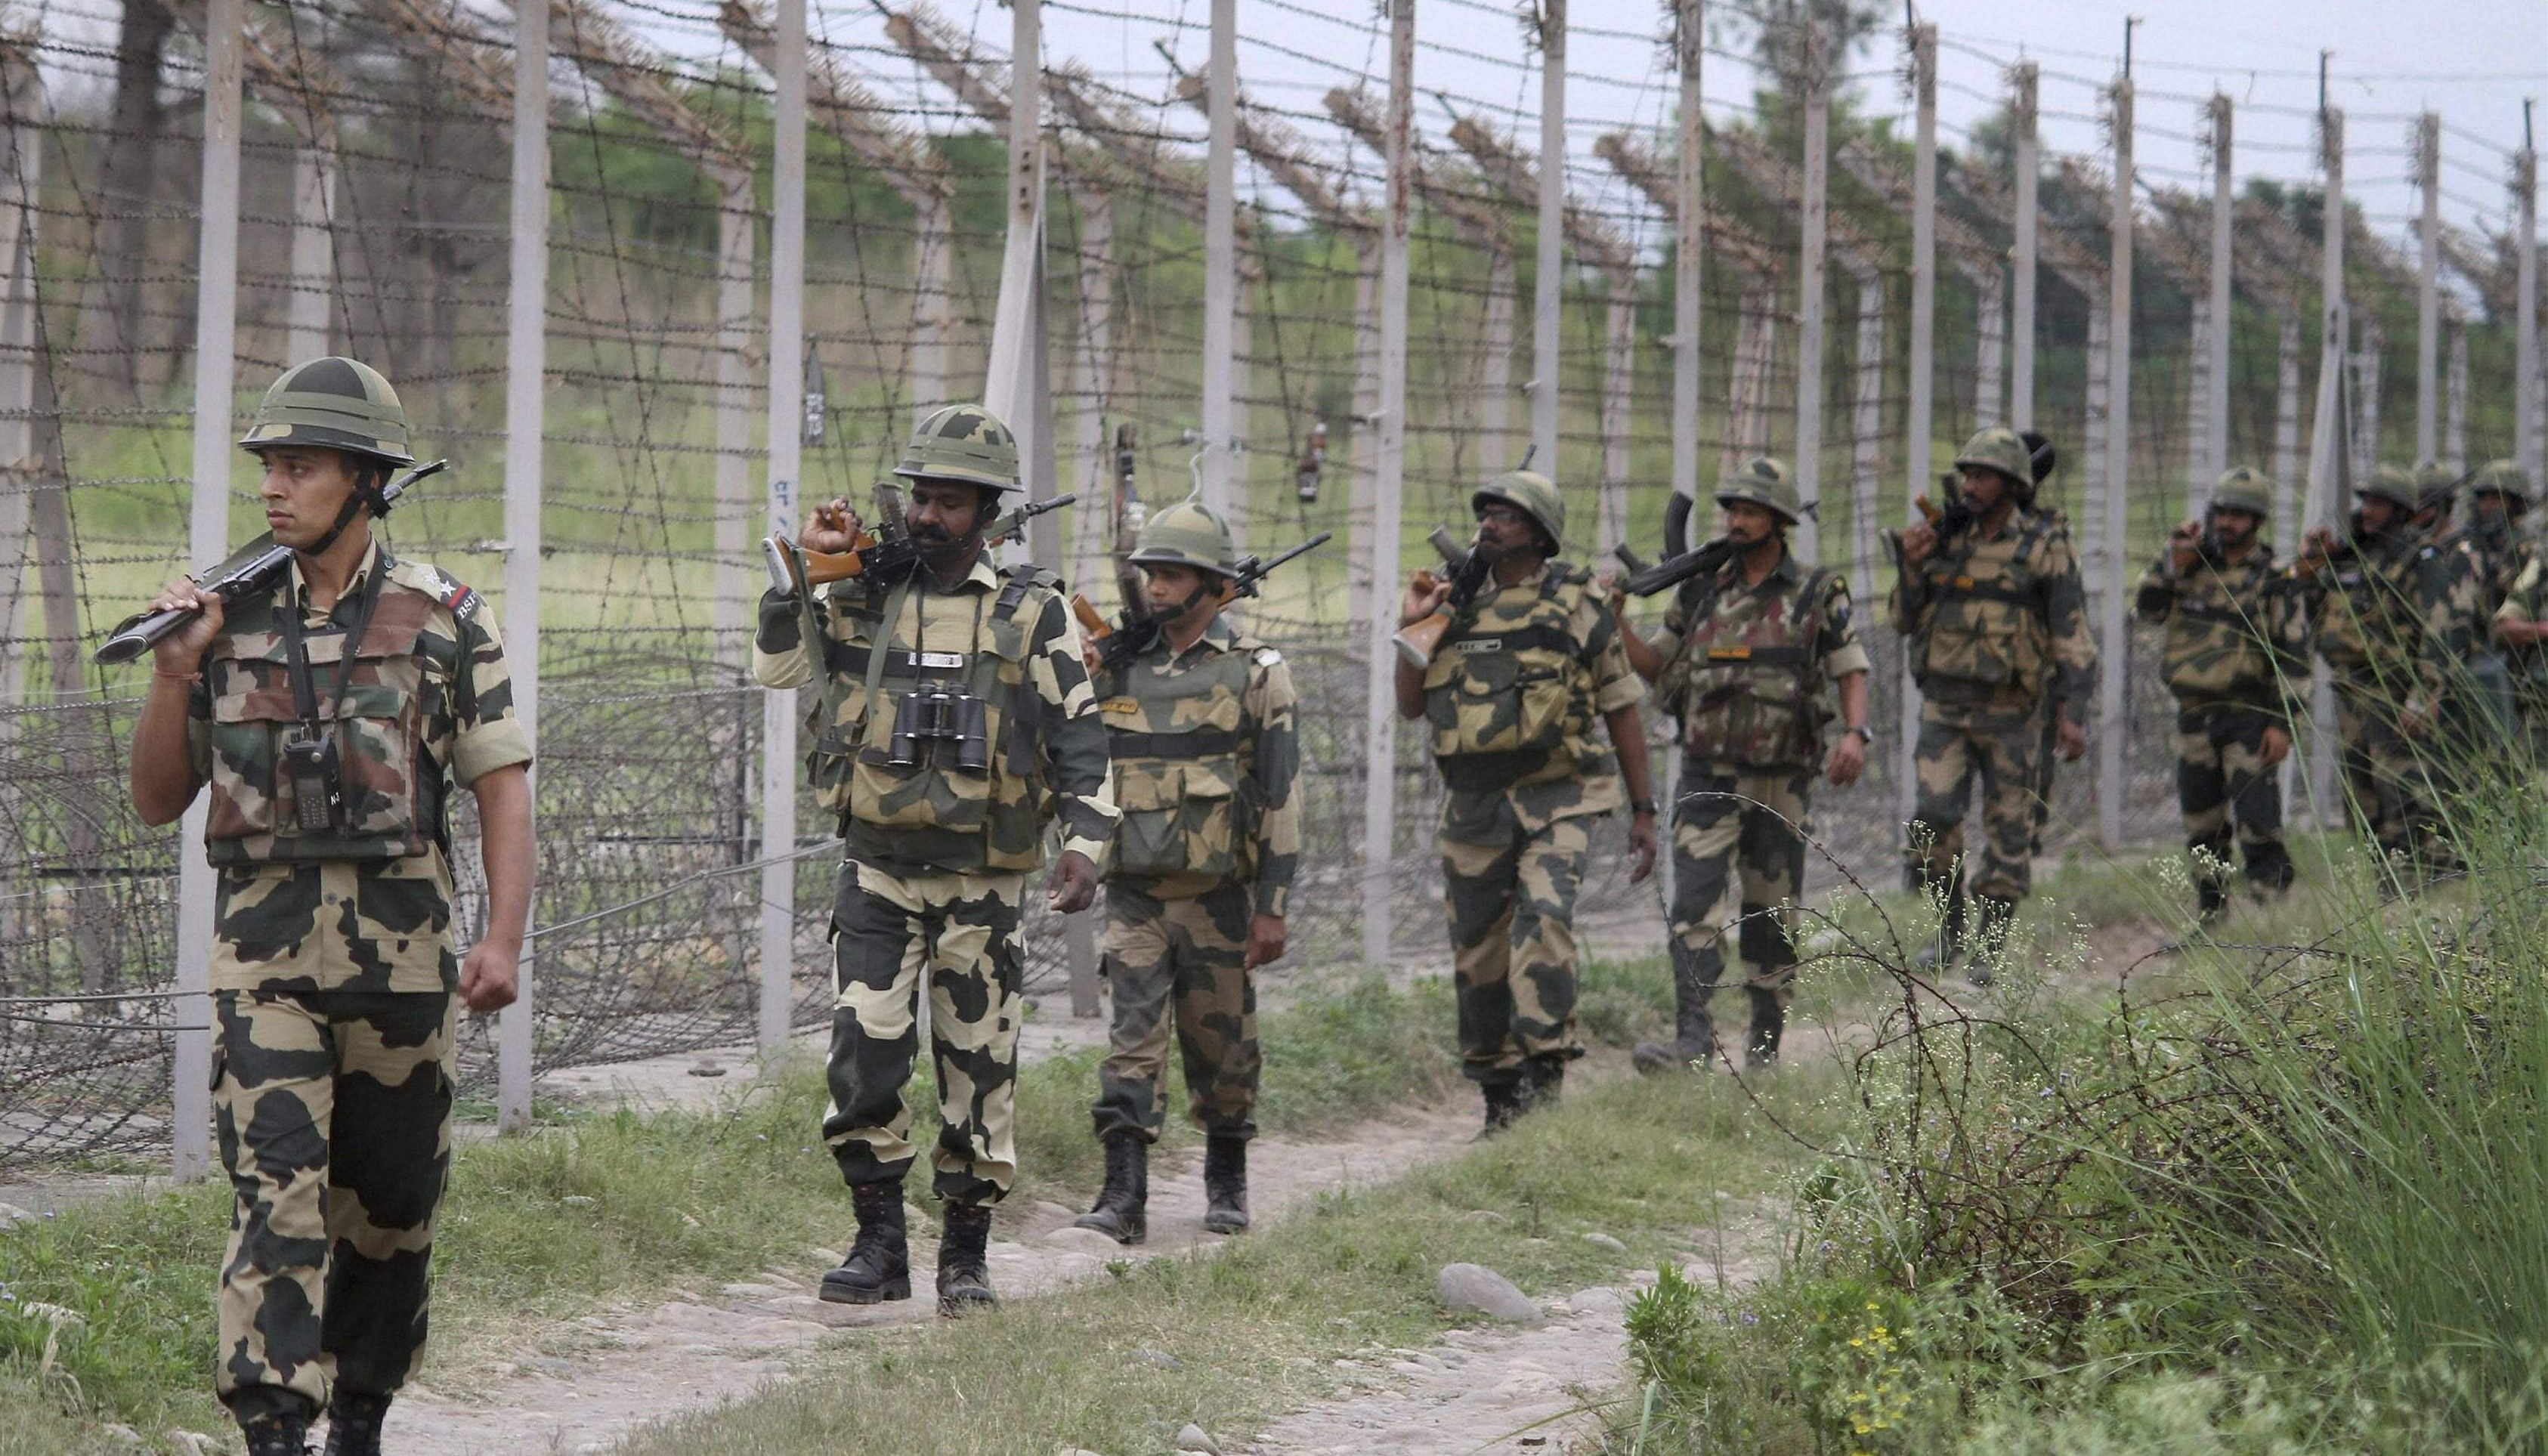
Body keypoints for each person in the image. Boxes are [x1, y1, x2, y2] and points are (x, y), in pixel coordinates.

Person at [125, 358, 534, 1456]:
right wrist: (174, 676)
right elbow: (160, 798)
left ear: (364, 480)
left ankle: (362, 1406)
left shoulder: (445, 618)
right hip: (264, 965)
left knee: (391, 1210)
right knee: (276, 1194)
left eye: (298, 466)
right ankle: (273, 1422)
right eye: (267, 465)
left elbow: (502, 782)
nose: (273, 486)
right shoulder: (223, 619)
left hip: (404, 968)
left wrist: (502, 937)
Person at [752, 403, 1116, 1315]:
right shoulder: (862, 593)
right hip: (877, 871)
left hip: (982, 885)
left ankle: (965, 1258)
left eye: (950, 502)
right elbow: (780, 668)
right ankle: (880, 1246)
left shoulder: (1034, 612)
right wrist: (806, 571)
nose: (927, 517)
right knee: (862, 1055)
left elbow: (1078, 735)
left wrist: (1086, 842)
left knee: (977, 1070)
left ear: (987, 513)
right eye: (920, 497)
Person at [1395, 469, 1656, 1134]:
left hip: (1558, 795)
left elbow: (1621, 705)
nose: (1490, 523)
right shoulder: (1453, 602)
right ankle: (1499, 1097)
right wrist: (1415, 626)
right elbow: (1410, 705)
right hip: (1474, 805)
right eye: (1485, 512)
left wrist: (1644, 809)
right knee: (1478, 952)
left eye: (1508, 515)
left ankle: (1545, 1084)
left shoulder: (1576, 600)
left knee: (1544, 926)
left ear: (1539, 534)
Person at [1071, 502, 1299, 1244]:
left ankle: (1226, 1176)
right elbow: (1077, 764)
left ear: (1211, 586)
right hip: (1136, 890)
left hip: (1219, 898)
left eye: (1172, 576)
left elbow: (1279, 796)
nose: (1157, 588)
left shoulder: (1256, 674)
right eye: (1152, 575)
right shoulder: (1118, 667)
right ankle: (1122, 1193)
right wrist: (1083, 674)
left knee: (1221, 1046)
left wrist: (1274, 906)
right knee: (1131, 1038)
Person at [1613, 458, 1870, 1074]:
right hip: (1706, 774)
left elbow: (1849, 664)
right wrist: (1615, 620)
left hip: (1782, 778)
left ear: (1779, 521)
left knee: (1771, 910)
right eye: (1730, 509)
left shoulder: (1815, 590)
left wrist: (1856, 733)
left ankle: (1764, 1043)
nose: (1735, 520)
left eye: (1749, 511)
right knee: (1694, 905)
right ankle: (1692, 1042)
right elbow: (1656, 665)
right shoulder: (1702, 590)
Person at [1889, 427, 2096, 981]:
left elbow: (2071, 629)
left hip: (2013, 713)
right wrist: (1910, 566)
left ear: (2011, 483)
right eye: (1967, 474)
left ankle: (1991, 943)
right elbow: (1903, 619)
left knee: (2010, 828)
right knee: (1932, 821)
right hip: (1946, 709)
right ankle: (1948, 926)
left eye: (1983, 476)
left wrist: (2073, 710)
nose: (1970, 485)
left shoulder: (2043, 543)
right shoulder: (1943, 538)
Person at [2133, 468, 2307, 924]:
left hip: (2249, 716)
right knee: (2202, 826)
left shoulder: (2273, 578)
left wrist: (2283, 724)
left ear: (2257, 522)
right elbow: (2149, 610)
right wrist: (2172, 564)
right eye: (2222, 513)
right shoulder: (2190, 566)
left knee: (2257, 822)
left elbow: (2294, 656)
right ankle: (2212, 917)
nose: (2226, 523)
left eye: (2238, 515)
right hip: (2194, 715)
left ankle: (2272, 918)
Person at [2290, 465, 2449, 869]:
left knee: (2402, 796)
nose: (2367, 511)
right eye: (2366, 502)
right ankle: (2382, 886)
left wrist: (2422, 696)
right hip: (2352, 693)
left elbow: (2437, 632)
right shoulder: (2353, 558)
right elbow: (2317, 614)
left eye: (2379, 503)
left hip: (2394, 694)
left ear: (2401, 510)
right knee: (2361, 800)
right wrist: (2312, 567)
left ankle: (2415, 888)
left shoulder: (2419, 560)